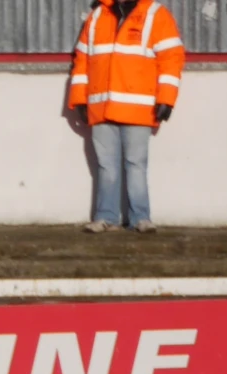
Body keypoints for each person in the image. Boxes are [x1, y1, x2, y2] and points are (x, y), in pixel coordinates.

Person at [69, 0, 183, 233]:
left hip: (138, 108)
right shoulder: (97, 16)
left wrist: (166, 99)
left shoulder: (156, 15)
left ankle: (141, 218)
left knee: (135, 164)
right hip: (101, 106)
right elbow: (82, 60)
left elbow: (171, 59)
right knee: (106, 166)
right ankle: (105, 218)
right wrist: (79, 97)